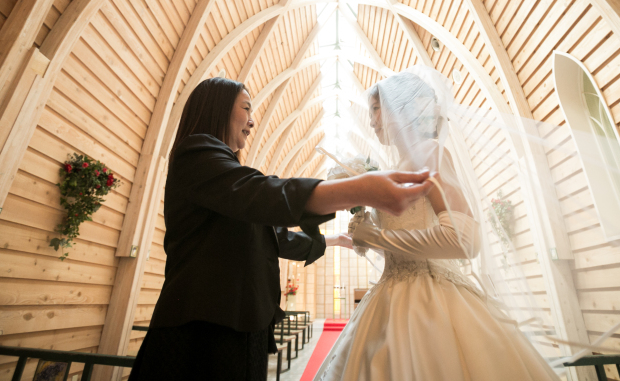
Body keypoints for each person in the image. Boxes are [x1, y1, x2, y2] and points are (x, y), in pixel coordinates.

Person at [128, 77, 436, 381]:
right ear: (217, 108)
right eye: (245, 108)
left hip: (241, 323)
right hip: (203, 328)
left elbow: (273, 236)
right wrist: (358, 190)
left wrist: (335, 240)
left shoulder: (225, 179)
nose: (251, 121)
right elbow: (263, 194)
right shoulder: (196, 154)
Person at [313, 68, 558, 381]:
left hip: (429, 301)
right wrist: (368, 238)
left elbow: (464, 239)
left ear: (401, 109)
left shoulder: (429, 153)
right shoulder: (394, 168)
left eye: (376, 108)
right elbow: (404, 238)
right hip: (388, 297)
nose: (372, 120)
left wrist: (378, 236)